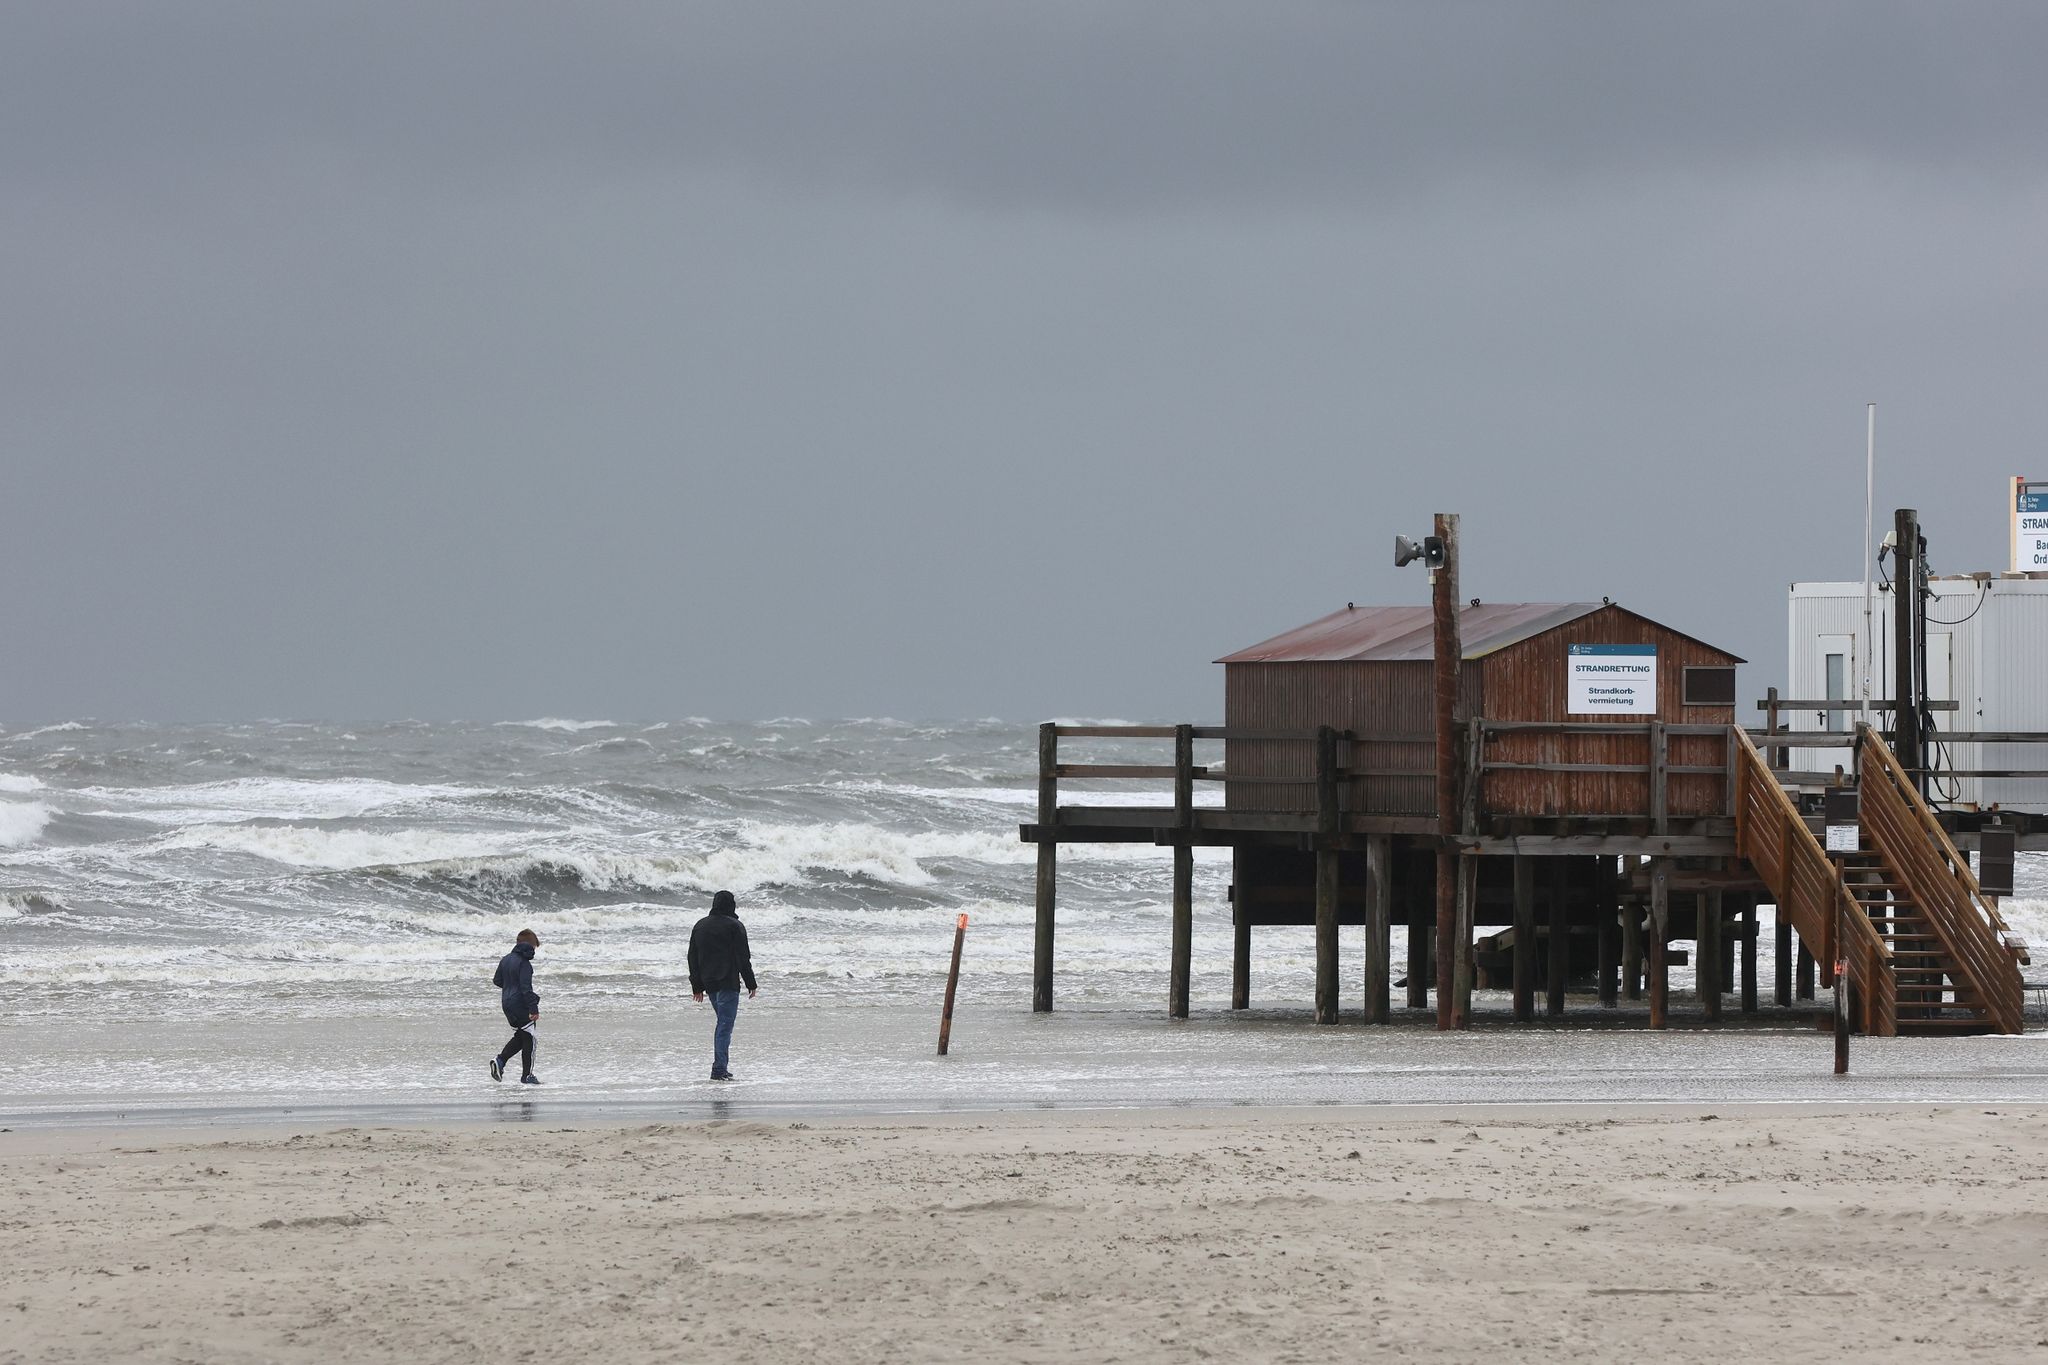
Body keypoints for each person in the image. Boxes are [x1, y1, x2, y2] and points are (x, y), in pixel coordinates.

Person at [688, 890, 758, 1080]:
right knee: (725, 1025)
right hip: (728, 981)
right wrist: (751, 982)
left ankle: (721, 1067)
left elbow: (692, 957)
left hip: (709, 983)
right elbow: (743, 958)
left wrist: (697, 985)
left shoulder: (700, 926)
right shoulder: (735, 926)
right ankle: (719, 1070)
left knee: (723, 1024)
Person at [490, 928, 543, 1085]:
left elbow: (497, 981)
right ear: (530, 946)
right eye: (534, 948)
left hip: (506, 1004)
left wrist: (510, 989)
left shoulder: (505, 959)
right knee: (530, 1039)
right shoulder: (524, 964)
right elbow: (526, 988)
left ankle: (500, 1061)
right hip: (521, 1005)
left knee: (521, 1037)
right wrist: (533, 1008)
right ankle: (527, 1076)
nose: (534, 952)